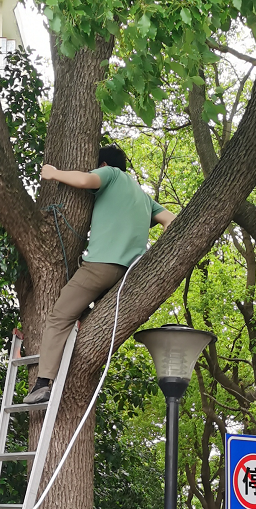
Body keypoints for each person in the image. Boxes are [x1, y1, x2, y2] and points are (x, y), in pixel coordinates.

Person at [22, 144, 173, 405]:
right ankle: (84, 318)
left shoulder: (110, 173)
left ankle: (42, 383)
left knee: (59, 317)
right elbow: (171, 219)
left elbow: (84, 180)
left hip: (100, 267)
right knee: (84, 309)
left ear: (103, 165)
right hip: (128, 275)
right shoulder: (143, 196)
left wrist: (53, 173)